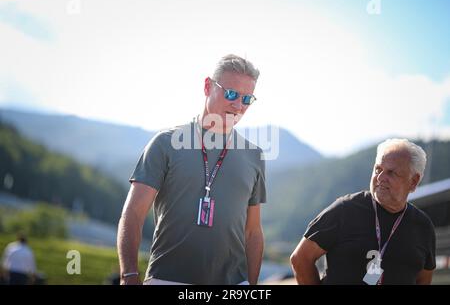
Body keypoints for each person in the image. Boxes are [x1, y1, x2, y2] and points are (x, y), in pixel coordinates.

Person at [117, 54, 266, 285]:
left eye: (247, 99)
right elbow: (133, 214)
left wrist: (252, 286)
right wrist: (128, 276)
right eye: (231, 94)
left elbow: (253, 232)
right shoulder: (165, 143)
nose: (238, 106)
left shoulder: (254, 156)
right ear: (208, 86)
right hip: (166, 280)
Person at [290, 138, 436, 285]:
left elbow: (424, 279)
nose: (380, 178)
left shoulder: (423, 226)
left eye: (391, 173)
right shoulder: (345, 209)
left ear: (413, 181)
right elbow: (301, 259)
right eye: (378, 169)